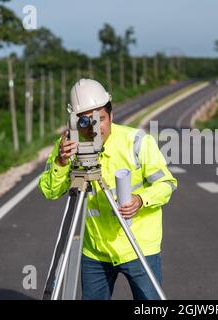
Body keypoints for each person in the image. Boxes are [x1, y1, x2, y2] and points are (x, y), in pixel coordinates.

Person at [38, 79, 177, 300]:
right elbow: (49, 191)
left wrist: (140, 199)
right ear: (74, 120)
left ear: (111, 115)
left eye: (100, 119)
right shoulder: (66, 147)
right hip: (95, 251)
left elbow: (167, 184)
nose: (94, 127)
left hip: (138, 246)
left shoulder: (137, 141)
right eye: (86, 121)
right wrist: (62, 162)